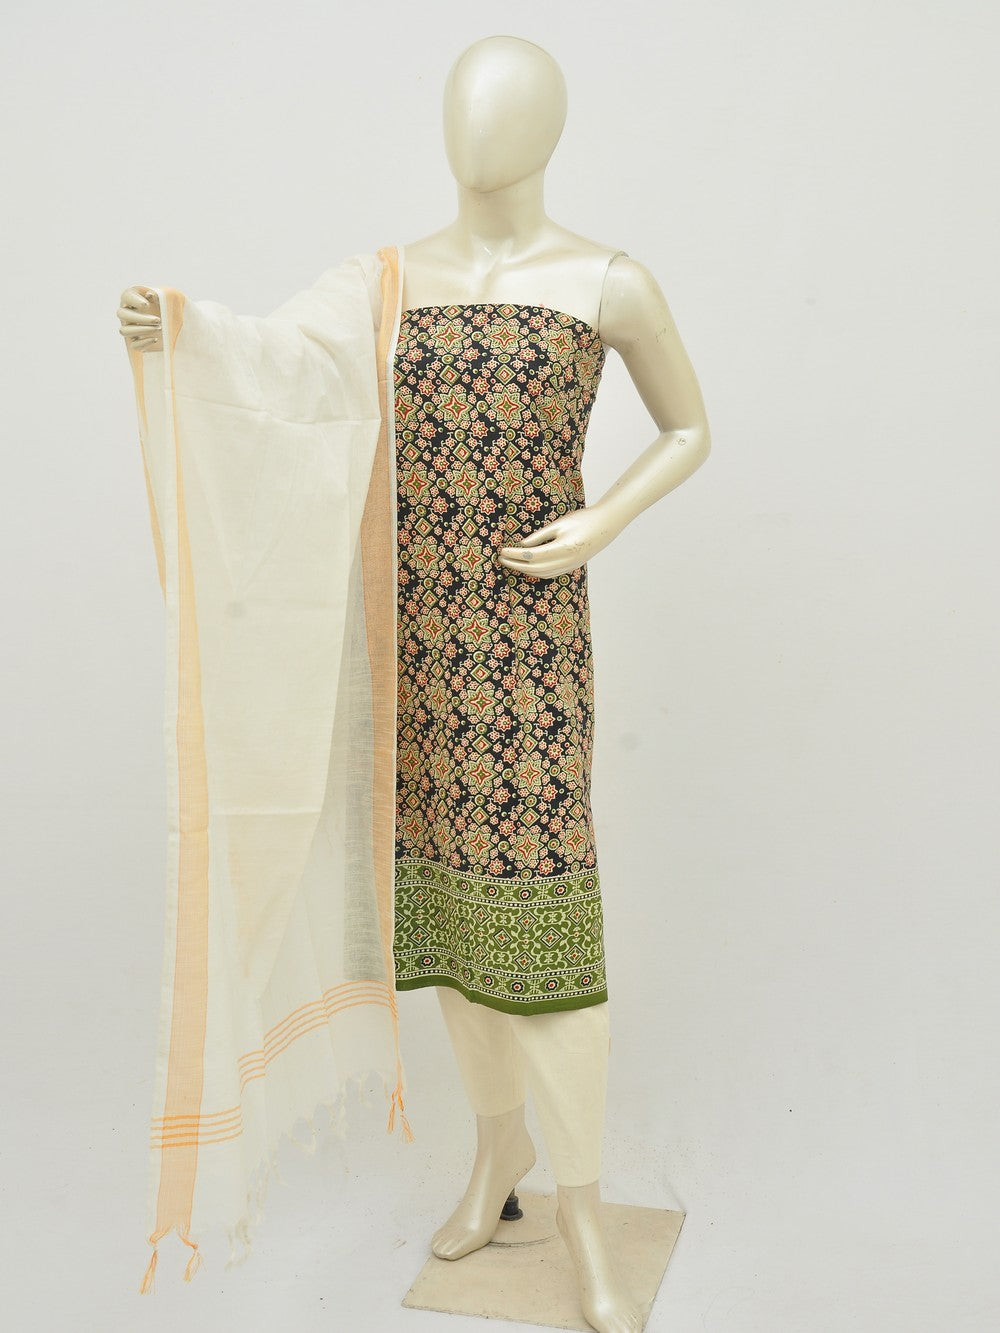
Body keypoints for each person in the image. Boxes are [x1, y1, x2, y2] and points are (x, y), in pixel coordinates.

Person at [119, 34, 710, 1333]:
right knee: (447, 926)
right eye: (462, 107)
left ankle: (584, 1223)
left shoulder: (607, 281)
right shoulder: (386, 283)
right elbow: (285, 372)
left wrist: (602, 521)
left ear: (548, 128)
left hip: (531, 654)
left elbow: (690, 426)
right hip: (418, 647)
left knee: (547, 938)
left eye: (503, 109)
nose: (477, 131)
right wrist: (186, 333)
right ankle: (497, 1156)